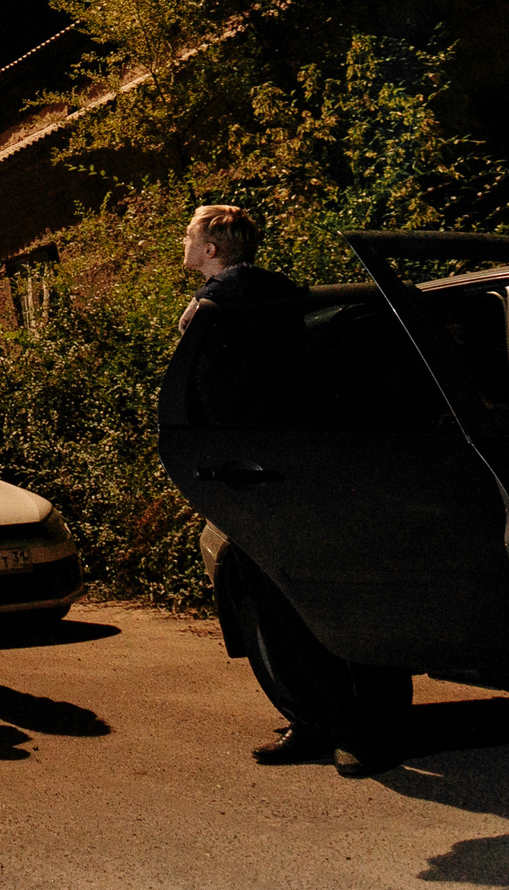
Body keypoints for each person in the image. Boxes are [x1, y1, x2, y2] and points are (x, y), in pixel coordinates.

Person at [174, 203, 413, 777]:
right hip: (294, 468)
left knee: (286, 603)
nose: (182, 242)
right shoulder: (286, 294)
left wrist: (200, 318)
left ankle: (343, 725)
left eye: (189, 234)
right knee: (299, 597)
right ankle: (333, 719)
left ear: (210, 248)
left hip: (260, 477)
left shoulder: (223, 303)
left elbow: (221, 396)